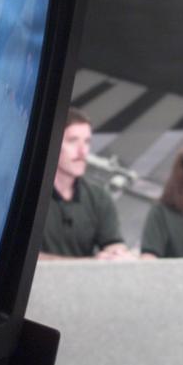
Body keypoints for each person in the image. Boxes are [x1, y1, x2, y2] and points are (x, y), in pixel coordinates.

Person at [39, 108, 132, 260]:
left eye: (87, 142)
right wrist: (89, 263)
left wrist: (118, 254)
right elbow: (20, 259)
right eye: (73, 141)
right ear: (51, 143)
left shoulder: (99, 197)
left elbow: (113, 242)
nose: (83, 152)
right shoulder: (25, 196)